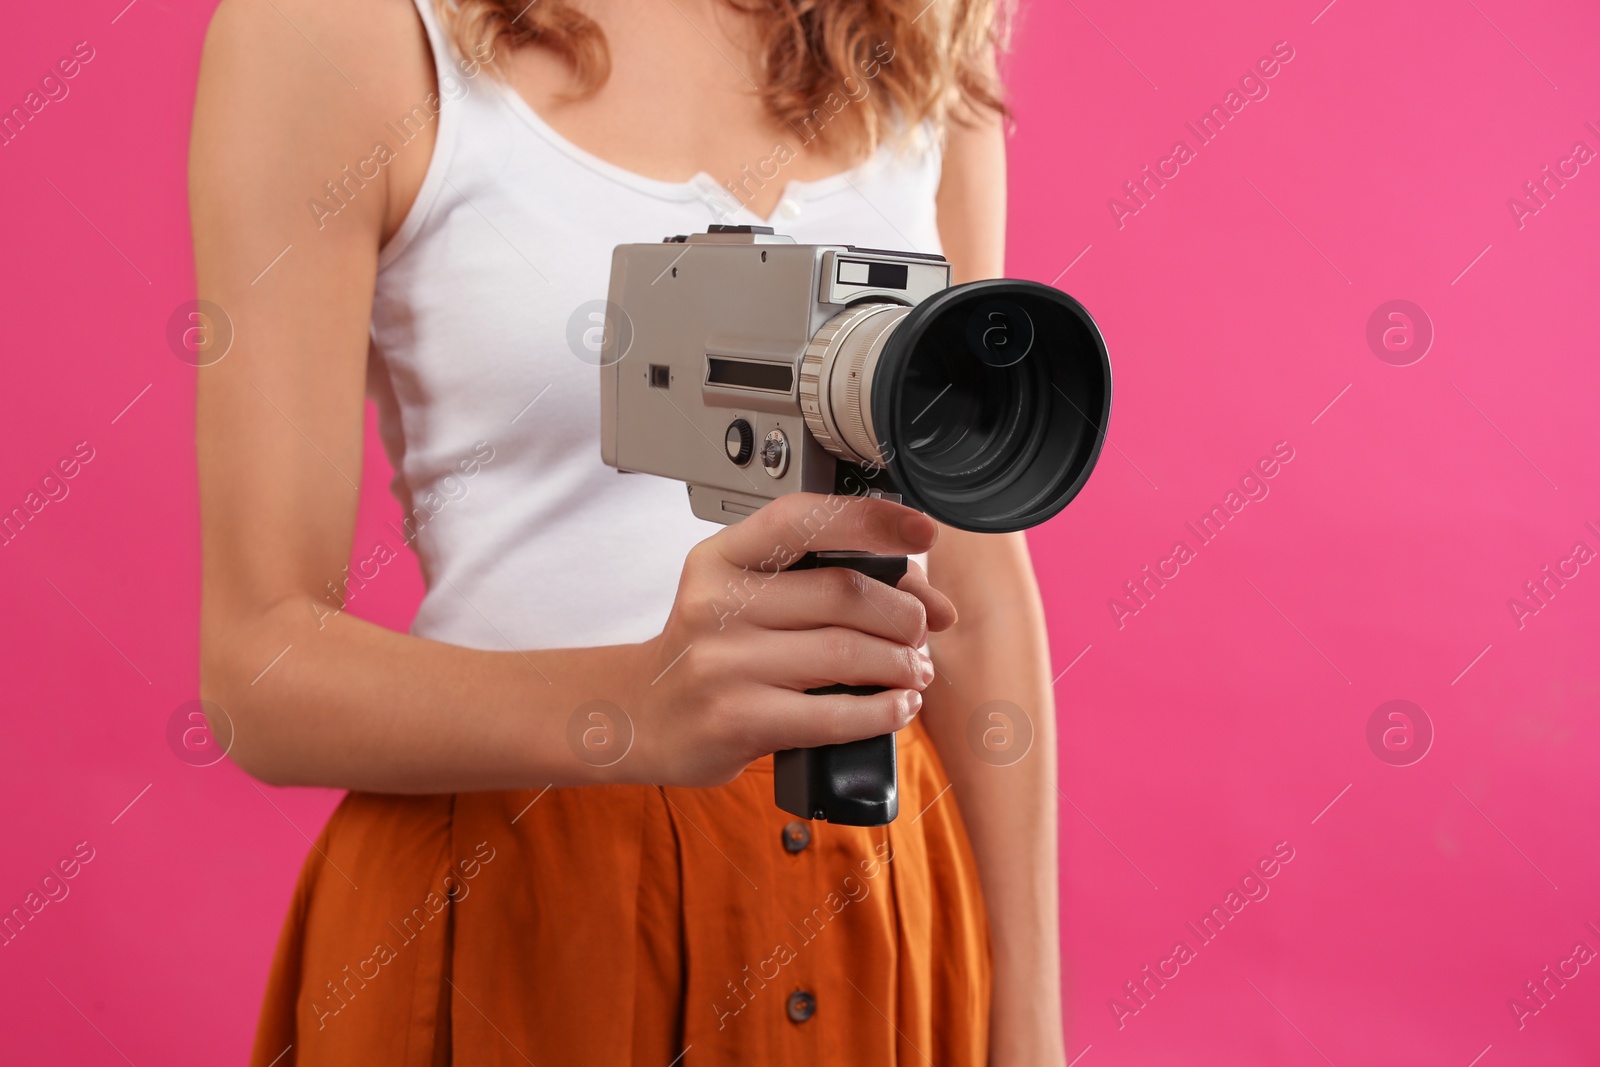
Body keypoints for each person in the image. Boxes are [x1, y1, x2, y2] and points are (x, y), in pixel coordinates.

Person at [190, 0, 1063, 1062]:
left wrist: (1025, 1028)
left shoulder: (912, 30)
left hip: (875, 889)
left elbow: (968, 564)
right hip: (522, 908)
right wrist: (632, 707)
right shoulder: (346, 29)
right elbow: (258, 669)